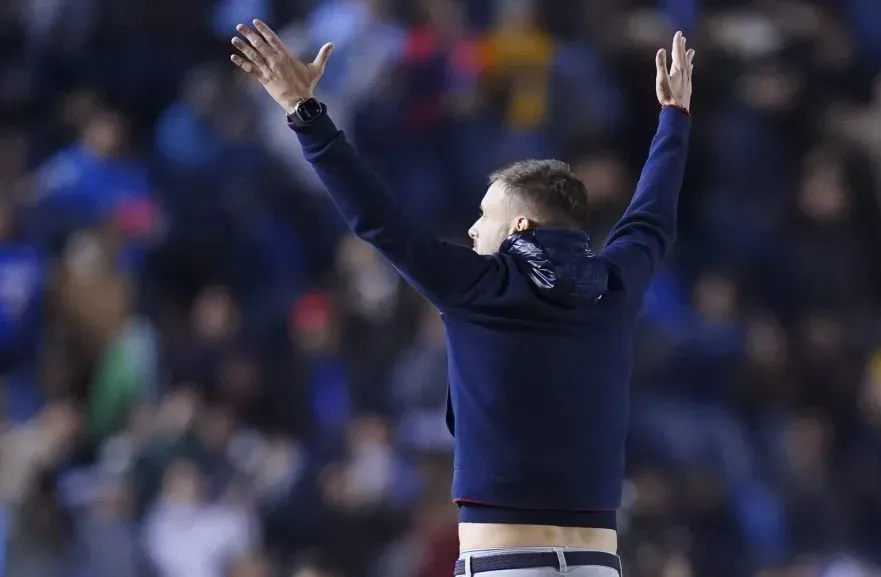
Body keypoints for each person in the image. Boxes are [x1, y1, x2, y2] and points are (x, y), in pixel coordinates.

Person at [230, 19, 694, 576]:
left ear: (519, 225)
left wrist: (306, 112)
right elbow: (650, 220)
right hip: (598, 564)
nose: (474, 230)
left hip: (505, 564)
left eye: (485, 215)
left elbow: (378, 220)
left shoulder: (479, 286)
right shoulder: (615, 286)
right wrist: (675, 119)